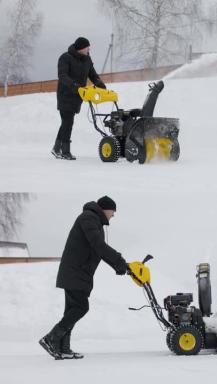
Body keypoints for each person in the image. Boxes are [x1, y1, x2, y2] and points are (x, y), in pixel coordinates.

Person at [39, 196, 128, 360]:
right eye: (113, 211)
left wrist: (119, 266)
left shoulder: (93, 220)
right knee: (81, 307)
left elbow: (98, 249)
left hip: (77, 273)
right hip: (76, 272)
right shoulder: (89, 218)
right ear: (105, 209)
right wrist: (119, 261)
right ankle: (51, 338)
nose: (113, 215)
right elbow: (98, 245)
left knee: (71, 310)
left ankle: (63, 347)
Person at [52, 37, 107, 160]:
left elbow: (92, 74)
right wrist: (75, 85)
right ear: (81, 48)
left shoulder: (87, 59)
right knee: (68, 121)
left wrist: (101, 86)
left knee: (66, 122)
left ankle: (56, 148)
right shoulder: (65, 58)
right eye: (87, 47)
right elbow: (62, 76)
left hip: (78, 95)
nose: (89, 49)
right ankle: (65, 151)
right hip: (65, 94)